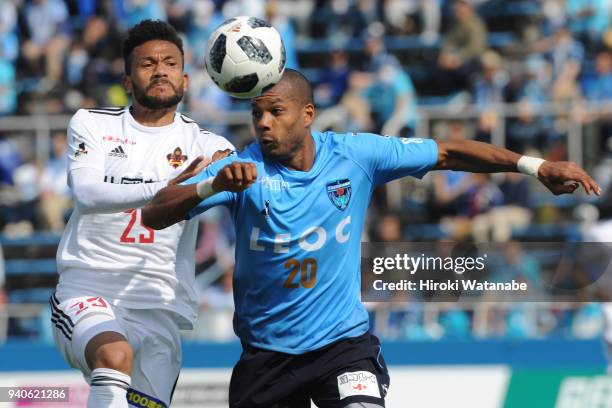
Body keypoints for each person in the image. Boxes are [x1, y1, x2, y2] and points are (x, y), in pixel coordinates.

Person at [142, 69, 601, 408]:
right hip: (266, 357)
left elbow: (446, 153)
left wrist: (534, 166)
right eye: (257, 112)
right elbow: (154, 214)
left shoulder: (355, 155)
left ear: (307, 115)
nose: (263, 123)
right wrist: (210, 186)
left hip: (342, 347)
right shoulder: (241, 170)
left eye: (275, 112)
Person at [49, 20, 233, 408]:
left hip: (160, 304)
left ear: (184, 79)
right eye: (148, 64)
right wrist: (164, 188)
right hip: (90, 289)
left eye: (169, 63)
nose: (160, 70)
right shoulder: (93, 124)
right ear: (128, 81)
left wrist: (222, 177)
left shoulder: (208, 146)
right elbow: (86, 192)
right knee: (114, 357)